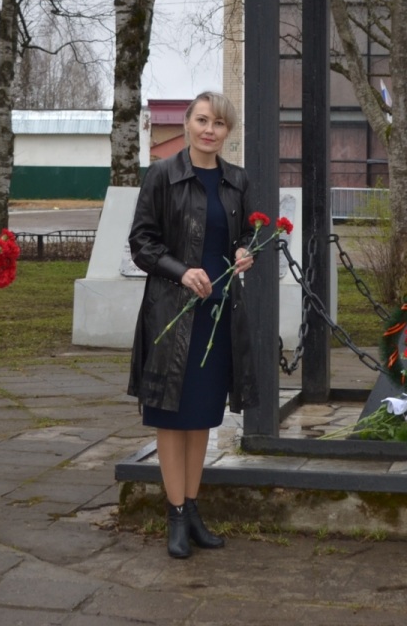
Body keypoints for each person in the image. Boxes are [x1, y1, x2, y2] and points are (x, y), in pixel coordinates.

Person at [127, 91, 256, 559]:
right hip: (171, 314)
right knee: (169, 414)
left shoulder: (238, 180)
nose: (209, 129)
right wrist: (181, 270)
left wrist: (247, 251)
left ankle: (194, 508)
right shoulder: (162, 175)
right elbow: (142, 242)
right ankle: (175, 514)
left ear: (227, 131)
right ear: (186, 122)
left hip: (219, 315)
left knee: (201, 416)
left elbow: (248, 231)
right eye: (202, 120)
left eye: (219, 123)